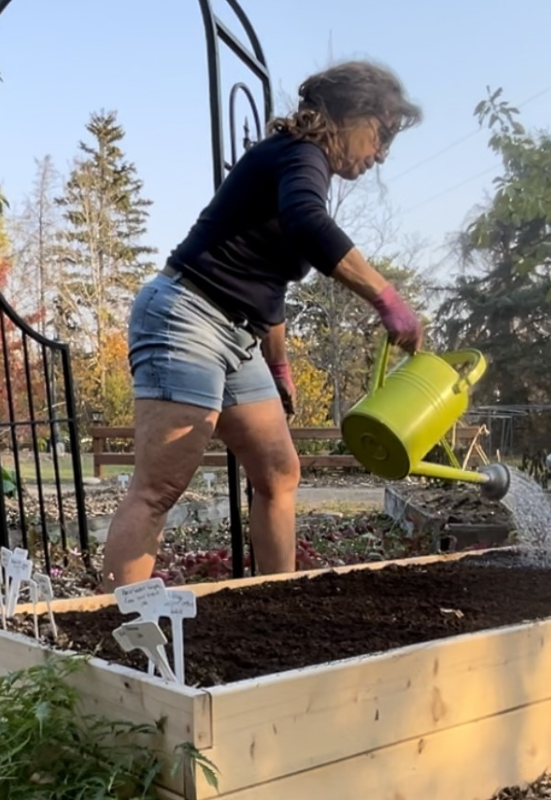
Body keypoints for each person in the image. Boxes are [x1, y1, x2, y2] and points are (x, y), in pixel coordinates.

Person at [99, 59, 425, 591]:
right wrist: (386, 298)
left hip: (238, 333)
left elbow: (268, 287)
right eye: (382, 133)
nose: (382, 153)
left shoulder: (298, 166)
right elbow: (308, 223)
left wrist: (278, 365)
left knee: (278, 472)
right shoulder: (299, 154)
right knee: (160, 486)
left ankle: (279, 605)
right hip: (187, 314)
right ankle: (113, 632)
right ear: (350, 113)